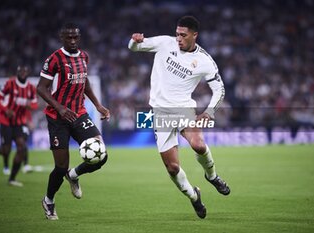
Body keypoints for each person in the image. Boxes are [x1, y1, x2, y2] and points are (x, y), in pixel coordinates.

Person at [128, 15, 230, 219]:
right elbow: (134, 48)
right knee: (173, 168)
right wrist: (134, 40)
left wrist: (209, 111)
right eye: (177, 34)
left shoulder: (204, 61)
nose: (179, 38)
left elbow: (219, 89)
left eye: (183, 35)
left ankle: (212, 176)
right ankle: (194, 197)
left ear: (195, 35)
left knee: (199, 145)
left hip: (183, 110)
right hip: (159, 112)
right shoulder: (165, 43)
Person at [37, 23, 110, 220]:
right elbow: (41, 88)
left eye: (75, 37)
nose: (72, 41)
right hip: (57, 117)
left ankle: (74, 175)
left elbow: (84, 82)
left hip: (79, 114)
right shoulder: (54, 59)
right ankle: (49, 200)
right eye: (68, 38)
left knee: (101, 156)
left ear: (79, 37)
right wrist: (60, 107)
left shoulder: (84, 56)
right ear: (62, 38)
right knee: (60, 167)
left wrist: (98, 105)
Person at [0, 65, 38, 186]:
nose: (23, 73)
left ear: (28, 73)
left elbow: (35, 105)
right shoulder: (9, 84)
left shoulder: (30, 88)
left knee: (22, 148)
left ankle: (12, 179)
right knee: (6, 150)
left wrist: (29, 106)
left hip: (20, 122)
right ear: (17, 72)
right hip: (6, 121)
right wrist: (6, 109)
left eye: (25, 71)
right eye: (21, 71)